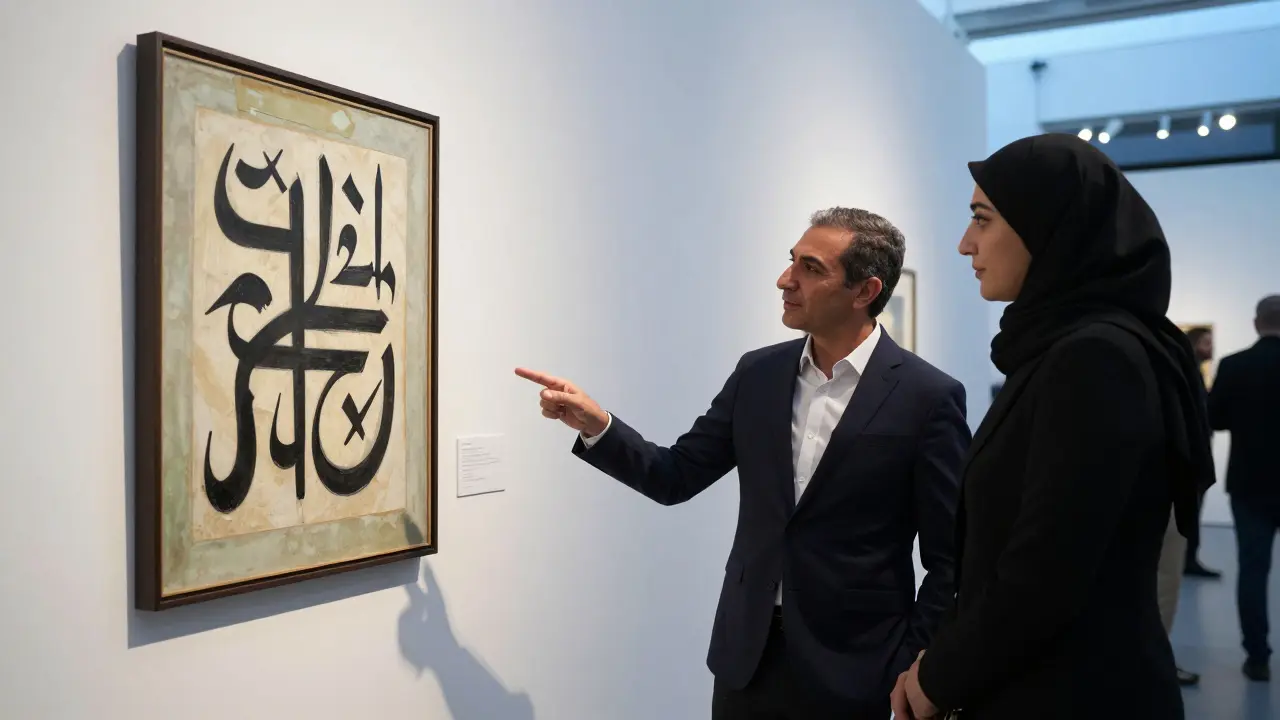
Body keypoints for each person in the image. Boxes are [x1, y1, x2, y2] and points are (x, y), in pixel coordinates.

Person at [517, 208, 971, 719]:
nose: (785, 279)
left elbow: (951, 558)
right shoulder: (759, 373)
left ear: (865, 291)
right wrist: (598, 424)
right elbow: (675, 475)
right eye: (792, 261)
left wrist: (912, 661)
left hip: (859, 669)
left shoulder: (928, 396)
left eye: (810, 268)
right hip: (747, 661)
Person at [891, 133, 1214, 719]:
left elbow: (1047, 569)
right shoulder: (1064, 348)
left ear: (1048, 225)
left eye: (982, 219)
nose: (965, 243)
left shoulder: (1095, 357)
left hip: (1074, 692)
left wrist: (936, 677)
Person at [1208, 294, 1280, 682]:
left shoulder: (1235, 365)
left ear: (1256, 323)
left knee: (1253, 570)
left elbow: (1215, 418)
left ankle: (1258, 658)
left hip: (1250, 482)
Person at [1182, 325, 1222, 579]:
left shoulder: (1191, 371)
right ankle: (1187, 561)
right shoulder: (1188, 372)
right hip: (1190, 454)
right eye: (1206, 342)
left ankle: (1188, 559)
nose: (1211, 347)